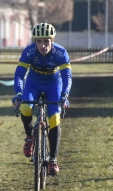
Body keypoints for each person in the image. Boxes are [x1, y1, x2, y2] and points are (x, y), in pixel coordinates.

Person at [12, 23, 72, 174]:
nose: (42, 45)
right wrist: (19, 94)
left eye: (46, 41)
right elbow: (19, 75)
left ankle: (53, 159)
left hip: (53, 84)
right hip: (34, 83)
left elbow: (67, 76)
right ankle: (29, 138)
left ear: (52, 40)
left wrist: (64, 95)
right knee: (25, 107)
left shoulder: (61, 53)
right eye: (39, 41)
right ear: (35, 41)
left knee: (54, 118)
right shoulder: (29, 51)